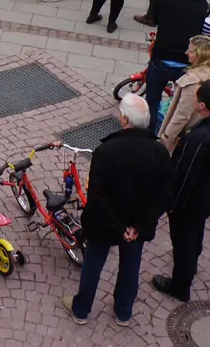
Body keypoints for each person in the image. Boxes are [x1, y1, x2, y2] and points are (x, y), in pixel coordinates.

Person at [65, 94, 171, 326]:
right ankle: (123, 312)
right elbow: (163, 196)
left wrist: (118, 227)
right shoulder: (160, 152)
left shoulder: (106, 151)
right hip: (138, 225)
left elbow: (97, 196)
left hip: (104, 223)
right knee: (131, 266)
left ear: (124, 119)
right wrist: (138, 228)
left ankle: (81, 310)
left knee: (93, 264)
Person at [153, 80, 210, 302]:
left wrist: (173, 206)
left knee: (182, 239)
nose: (192, 99)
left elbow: (184, 176)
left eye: (194, 97)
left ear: (202, 105)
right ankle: (192, 261)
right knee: (196, 230)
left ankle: (180, 284)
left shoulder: (199, 139)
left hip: (192, 201)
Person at [140, 0, 206, 128]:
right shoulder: (202, 3)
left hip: (161, 58)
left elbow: (154, 19)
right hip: (185, 63)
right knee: (179, 105)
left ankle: (149, 134)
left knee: (152, 101)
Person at [157, 36, 210, 151]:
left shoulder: (193, 81)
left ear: (200, 55)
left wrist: (164, 140)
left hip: (183, 139)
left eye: (190, 51)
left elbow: (181, 116)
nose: (186, 53)